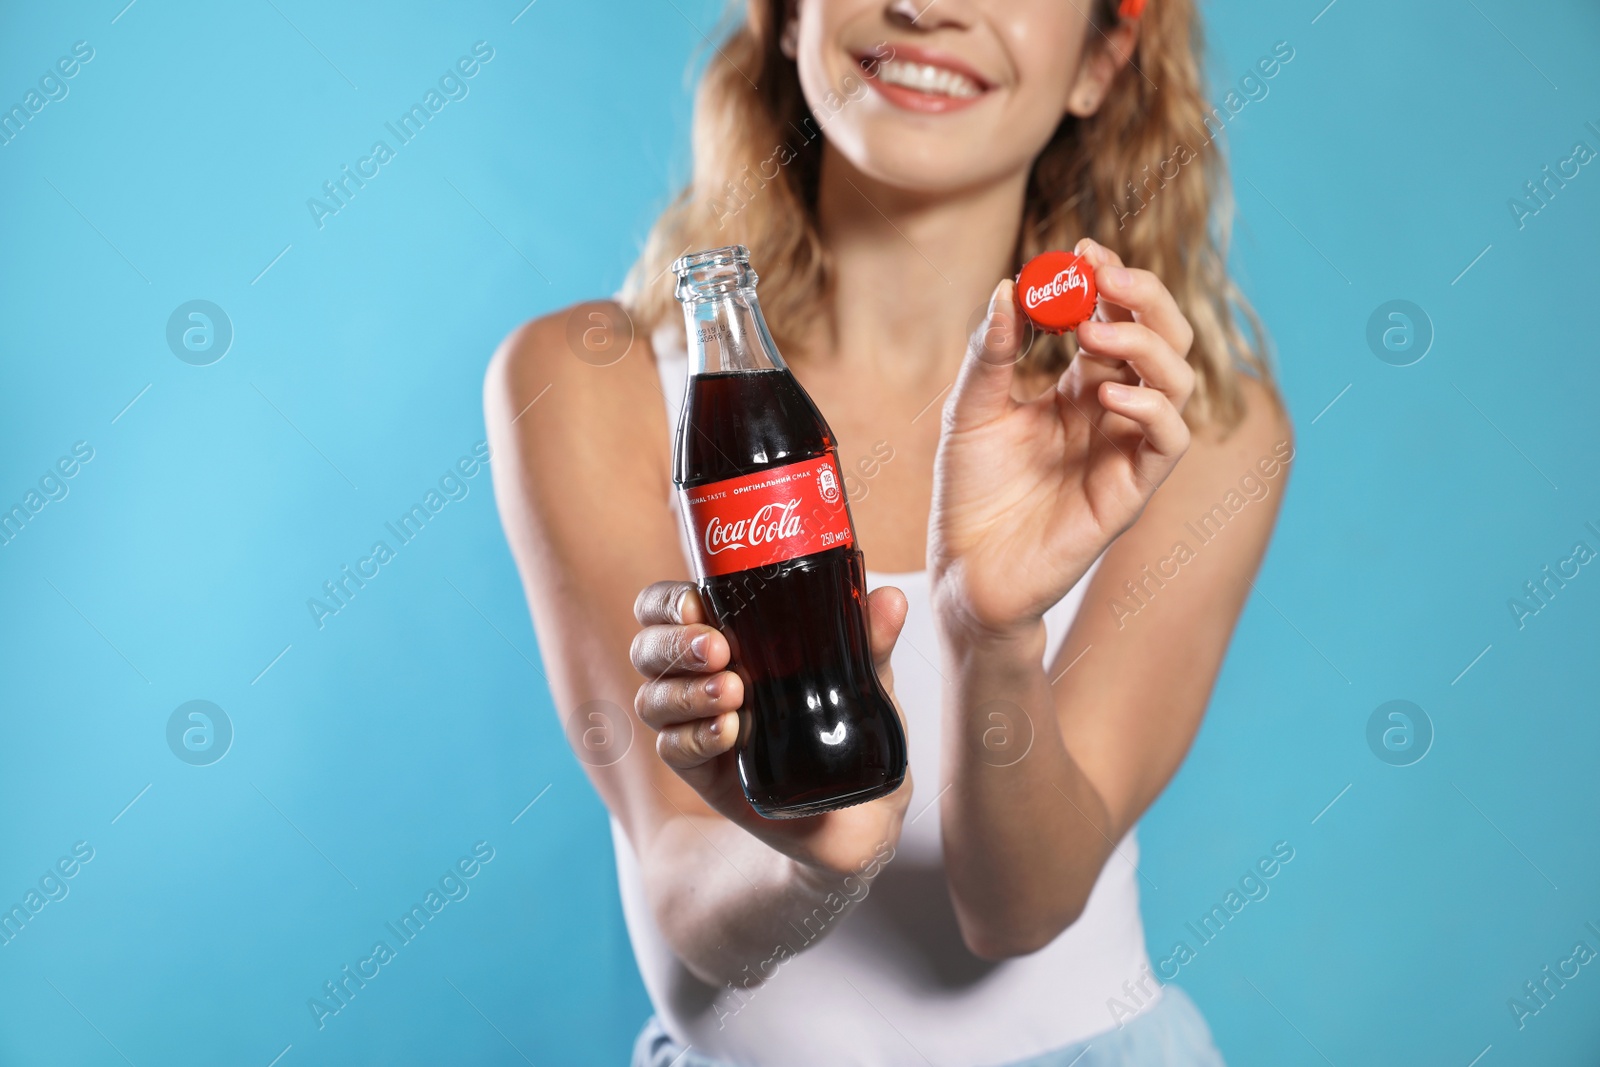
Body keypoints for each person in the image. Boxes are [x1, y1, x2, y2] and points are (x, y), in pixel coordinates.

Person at [485, 0, 1291, 1062]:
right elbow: (680, 878)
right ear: (782, 17)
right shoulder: (592, 380)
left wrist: (990, 633)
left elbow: (1019, 910)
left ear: (1103, 55)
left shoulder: (1182, 427)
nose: (928, 5)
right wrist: (817, 855)